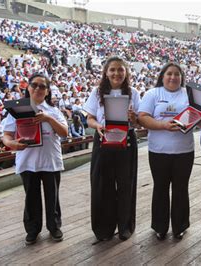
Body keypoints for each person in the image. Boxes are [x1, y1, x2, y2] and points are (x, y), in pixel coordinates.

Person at [138, 62, 201, 240]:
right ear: (162, 76)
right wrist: (163, 125)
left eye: (177, 74)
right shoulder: (152, 94)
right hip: (158, 151)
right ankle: (159, 227)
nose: (173, 77)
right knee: (160, 188)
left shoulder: (190, 94)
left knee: (180, 189)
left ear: (182, 77)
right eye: (169, 74)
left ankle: (180, 226)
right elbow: (142, 118)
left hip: (183, 152)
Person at [2, 73, 68, 245]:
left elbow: (64, 133)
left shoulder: (54, 111)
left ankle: (54, 227)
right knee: (31, 197)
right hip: (27, 161)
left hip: (50, 160)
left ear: (47, 91)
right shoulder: (16, 110)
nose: (38, 89)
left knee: (52, 197)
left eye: (42, 86)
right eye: (35, 85)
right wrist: (12, 144)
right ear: (28, 87)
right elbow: (6, 136)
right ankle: (32, 229)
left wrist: (47, 118)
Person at [83, 56, 139, 241]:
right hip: (103, 140)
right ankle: (103, 229)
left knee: (126, 185)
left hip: (126, 142)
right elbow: (89, 118)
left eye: (120, 70)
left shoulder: (134, 93)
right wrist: (97, 125)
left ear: (126, 72)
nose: (116, 73)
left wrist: (133, 118)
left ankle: (125, 227)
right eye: (113, 70)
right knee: (102, 185)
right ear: (106, 72)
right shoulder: (96, 92)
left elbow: (138, 122)